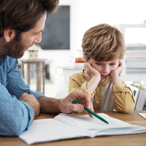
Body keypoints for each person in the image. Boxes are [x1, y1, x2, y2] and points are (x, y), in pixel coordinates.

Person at [0, 0, 93, 136]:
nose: (39, 40)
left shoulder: (7, 57)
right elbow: (14, 121)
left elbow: (22, 93)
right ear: (9, 34)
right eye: (35, 33)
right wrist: (31, 106)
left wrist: (58, 103)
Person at [68, 24, 135, 113]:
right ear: (87, 59)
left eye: (112, 64)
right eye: (99, 64)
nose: (106, 70)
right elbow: (76, 107)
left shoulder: (116, 81)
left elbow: (126, 108)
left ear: (119, 62)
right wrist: (95, 78)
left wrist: (115, 75)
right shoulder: (75, 79)